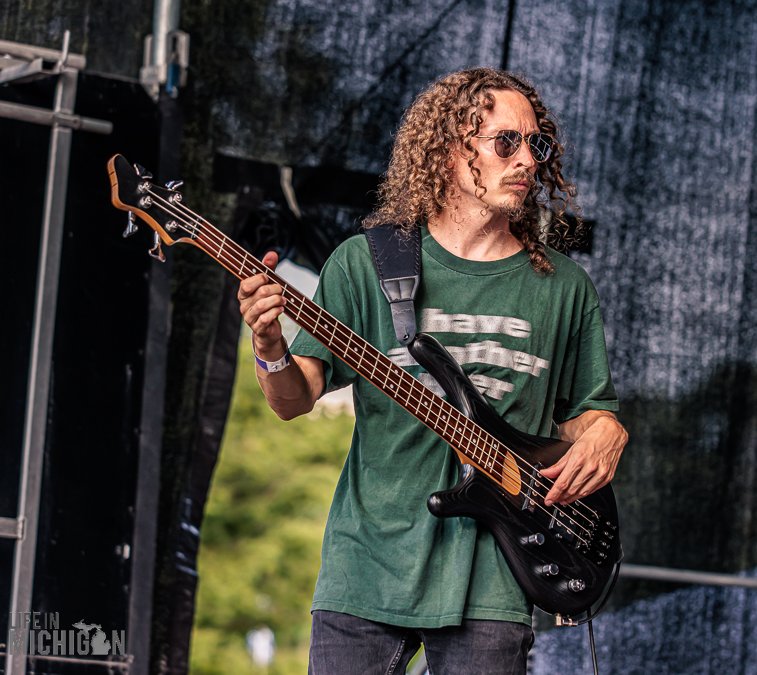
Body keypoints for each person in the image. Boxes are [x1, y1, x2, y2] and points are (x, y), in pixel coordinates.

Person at [237, 67, 628, 675]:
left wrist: (607, 430)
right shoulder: (364, 263)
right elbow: (293, 399)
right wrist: (268, 345)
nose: (527, 160)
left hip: (495, 575)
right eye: (506, 142)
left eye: (536, 144)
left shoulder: (564, 286)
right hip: (367, 569)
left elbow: (587, 414)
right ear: (448, 150)